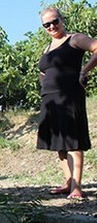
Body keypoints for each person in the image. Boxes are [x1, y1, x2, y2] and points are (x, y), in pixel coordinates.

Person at [38, 7, 97, 199]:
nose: (52, 26)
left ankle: (77, 187)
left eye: (55, 21)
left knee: (72, 141)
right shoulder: (47, 48)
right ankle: (68, 181)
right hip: (50, 99)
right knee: (59, 143)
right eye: (47, 24)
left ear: (62, 19)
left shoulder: (74, 39)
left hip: (69, 96)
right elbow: (44, 71)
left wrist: (84, 71)